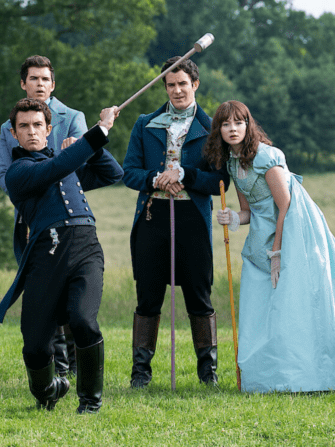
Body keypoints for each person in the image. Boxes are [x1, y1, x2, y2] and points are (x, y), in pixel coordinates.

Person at [0, 99, 123, 414]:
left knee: (83, 320)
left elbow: (112, 174)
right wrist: (99, 130)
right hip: (46, 254)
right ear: (13, 133)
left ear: (48, 130)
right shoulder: (18, 173)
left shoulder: (64, 160)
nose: (32, 131)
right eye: (24, 126)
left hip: (87, 247)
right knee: (35, 346)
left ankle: (90, 401)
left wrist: (90, 147)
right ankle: (49, 388)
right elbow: (55, 168)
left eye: (38, 125)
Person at [208, 100, 335, 393]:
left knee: (292, 303)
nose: (233, 129)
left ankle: (306, 376)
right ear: (219, 130)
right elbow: (250, 211)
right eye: (226, 124)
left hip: (293, 231)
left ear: (249, 125)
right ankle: (267, 377)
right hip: (262, 235)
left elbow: (285, 206)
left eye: (239, 122)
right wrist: (233, 217)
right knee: (259, 304)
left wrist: (277, 253)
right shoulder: (234, 164)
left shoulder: (265, 157)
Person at [122, 56, 229, 388]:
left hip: (192, 219)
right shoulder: (145, 123)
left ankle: (207, 372)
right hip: (153, 215)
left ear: (195, 84)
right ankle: (141, 373)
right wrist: (157, 178)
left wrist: (186, 175)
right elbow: (128, 173)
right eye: (171, 84)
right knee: (148, 295)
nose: (178, 90)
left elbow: (220, 181)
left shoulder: (213, 128)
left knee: (199, 294)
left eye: (183, 83)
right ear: (164, 87)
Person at [0, 55, 88, 377]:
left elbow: (85, 165)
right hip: (34, 217)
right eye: (33, 79)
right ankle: (60, 366)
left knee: (75, 292)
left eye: (45, 79)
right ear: (23, 83)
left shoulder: (74, 117)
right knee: (46, 290)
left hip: (71, 217)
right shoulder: (12, 124)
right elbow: (5, 173)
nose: (39, 84)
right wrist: (28, 208)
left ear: (53, 84)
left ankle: (77, 366)